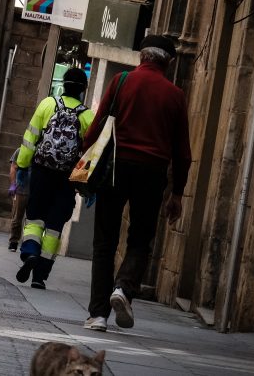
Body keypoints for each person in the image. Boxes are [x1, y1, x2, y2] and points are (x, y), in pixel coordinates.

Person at [82, 35, 190, 331]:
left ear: (142, 57)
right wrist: (177, 193)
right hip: (152, 173)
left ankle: (98, 314)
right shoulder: (175, 95)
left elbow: (97, 126)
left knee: (105, 240)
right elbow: (182, 152)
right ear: (169, 63)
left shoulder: (121, 81)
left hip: (115, 168)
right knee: (141, 238)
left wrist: (84, 165)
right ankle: (124, 287)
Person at [12, 68, 94, 290]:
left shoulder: (47, 104)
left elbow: (30, 139)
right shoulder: (88, 117)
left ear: (63, 85)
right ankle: (40, 275)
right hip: (66, 180)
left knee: (35, 217)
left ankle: (30, 252)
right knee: (55, 226)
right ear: (83, 90)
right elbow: (89, 156)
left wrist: (22, 166)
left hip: (41, 172)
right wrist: (84, 185)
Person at [6, 151, 29, 253]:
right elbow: (13, 167)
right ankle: (14, 241)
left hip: (35, 190)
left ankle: (28, 243)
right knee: (17, 217)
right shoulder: (20, 150)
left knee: (32, 221)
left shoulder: (43, 151)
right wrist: (13, 184)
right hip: (21, 189)